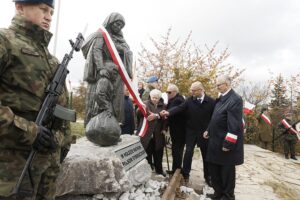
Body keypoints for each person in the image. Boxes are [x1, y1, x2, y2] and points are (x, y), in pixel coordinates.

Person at [0, 0, 72, 199]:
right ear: (20, 7)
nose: (48, 16)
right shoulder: (5, 41)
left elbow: (61, 111)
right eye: (43, 9)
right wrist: (30, 131)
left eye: (51, 11)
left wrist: (61, 144)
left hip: (47, 172)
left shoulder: (52, 60)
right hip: (11, 172)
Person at [82, 12, 133, 126]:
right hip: (104, 69)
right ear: (110, 21)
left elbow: (127, 51)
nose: (118, 27)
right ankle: (96, 125)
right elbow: (97, 50)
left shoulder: (120, 38)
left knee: (116, 100)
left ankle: (114, 125)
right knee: (100, 95)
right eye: (117, 24)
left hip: (117, 73)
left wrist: (124, 50)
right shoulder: (102, 34)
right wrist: (100, 68)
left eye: (121, 25)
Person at [160, 82, 215, 185]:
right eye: (191, 90)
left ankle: (208, 176)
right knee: (188, 153)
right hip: (191, 132)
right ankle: (185, 174)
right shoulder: (189, 100)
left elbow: (214, 117)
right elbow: (180, 108)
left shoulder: (211, 102)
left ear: (201, 90)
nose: (192, 92)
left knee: (206, 155)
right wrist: (169, 112)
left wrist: (210, 129)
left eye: (194, 90)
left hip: (205, 133)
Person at [204, 75, 244, 200]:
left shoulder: (235, 99)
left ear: (227, 84)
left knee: (226, 172)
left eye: (219, 84)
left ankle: (227, 196)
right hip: (215, 140)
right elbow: (216, 117)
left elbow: (235, 125)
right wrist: (208, 130)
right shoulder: (221, 98)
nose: (217, 87)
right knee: (214, 169)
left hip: (224, 142)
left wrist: (228, 143)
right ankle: (218, 194)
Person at [137, 89, 167, 176]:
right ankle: (148, 169)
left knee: (158, 152)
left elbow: (165, 119)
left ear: (159, 98)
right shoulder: (145, 103)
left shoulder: (163, 106)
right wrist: (139, 110)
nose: (155, 99)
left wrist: (164, 128)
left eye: (157, 98)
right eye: (153, 97)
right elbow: (139, 116)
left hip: (158, 132)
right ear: (150, 96)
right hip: (147, 132)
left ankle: (159, 170)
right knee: (148, 151)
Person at [165, 84, 186, 174]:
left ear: (175, 92)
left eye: (169, 92)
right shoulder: (174, 99)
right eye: (166, 92)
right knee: (175, 150)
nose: (167, 94)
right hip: (176, 130)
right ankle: (176, 169)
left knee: (177, 150)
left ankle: (177, 170)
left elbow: (173, 111)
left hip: (179, 131)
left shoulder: (178, 100)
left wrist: (165, 115)